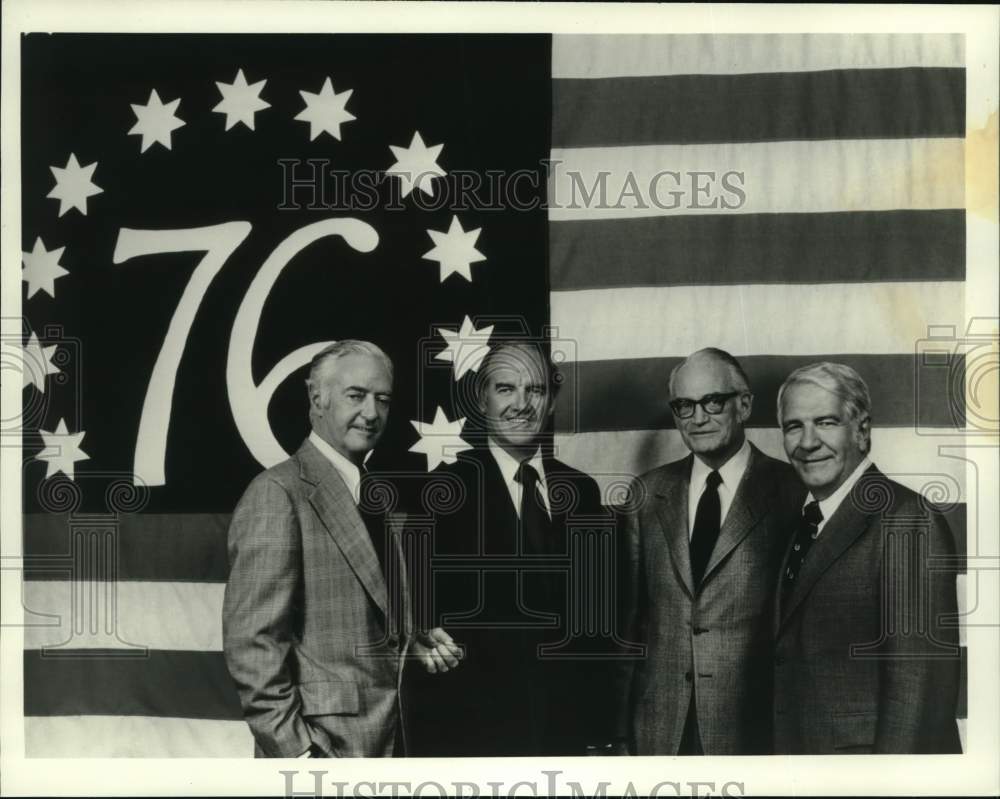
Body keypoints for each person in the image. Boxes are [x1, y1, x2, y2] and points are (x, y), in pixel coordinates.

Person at [222, 340, 461, 758]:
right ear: (317, 397)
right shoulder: (277, 493)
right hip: (323, 756)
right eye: (356, 396)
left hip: (390, 744)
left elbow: (361, 613)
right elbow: (253, 644)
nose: (371, 413)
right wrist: (298, 754)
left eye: (382, 399)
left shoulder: (375, 495)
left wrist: (410, 640)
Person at [407, 340, 614, 756]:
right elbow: (416, 616)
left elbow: (598, 626)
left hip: (566, 739)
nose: (521, 404)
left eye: (534, 390)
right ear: (482, 399)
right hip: (473, 739)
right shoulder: (441, 492)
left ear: (552, 401)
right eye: (506, 389)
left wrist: (600, 732)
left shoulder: (583, 491)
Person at [616, 348, 801, 755]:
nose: (697, 418)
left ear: (745, 405)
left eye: (712, 401)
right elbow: (630, 624)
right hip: (659, 727)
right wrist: (618, 732)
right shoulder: (646, 494)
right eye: (684, 405)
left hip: (753, 727)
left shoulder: (792, 490)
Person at [774, 362, 961, 753]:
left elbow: (917, 693)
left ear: (861, 430)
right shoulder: (802, 522)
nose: (807, 442)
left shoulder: (908, 519)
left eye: (826, 422)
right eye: (794, 426)